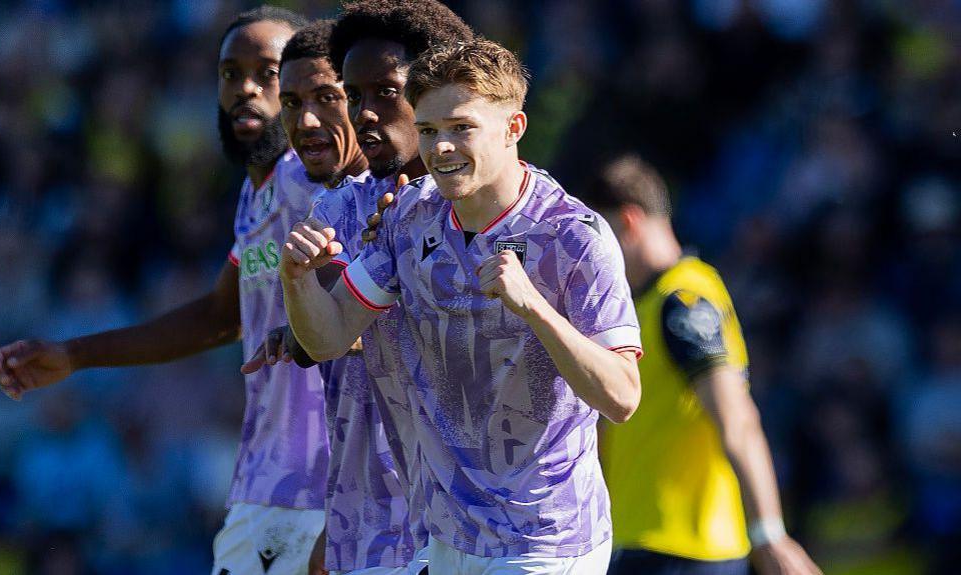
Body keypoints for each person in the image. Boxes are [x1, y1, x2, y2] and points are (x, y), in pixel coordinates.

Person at [0, 9, 369, 575]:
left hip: (326, 489)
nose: (245, 88)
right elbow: (223, 314)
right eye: (230, 72)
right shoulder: (256, 195)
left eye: (268, 73)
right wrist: (75, 355)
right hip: (268, 487)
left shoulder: (314, 176)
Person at [278, 39, 641, 574]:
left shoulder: (574, 236)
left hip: (546, 540)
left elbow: (622, 396)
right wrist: (297, 281)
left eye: (461, 128)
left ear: (513, 128)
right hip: (444, 537)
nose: (441, 148)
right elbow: (328, 337)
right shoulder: (409, 218)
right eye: (428, 131)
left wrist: (535, 308)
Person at [243, 3, 476, 573]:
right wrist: (302, 321)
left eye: (384, 92)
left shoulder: (510, 212)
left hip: (488, 526)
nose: (365, 112)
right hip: (371, 524)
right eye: (355, 94)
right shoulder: (339, 210)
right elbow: (333, 324)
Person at [591, 155, 822, 575]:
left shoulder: (684, 299)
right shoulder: (639, 307)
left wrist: (768, 533)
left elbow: (735, 417)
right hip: (640, 543)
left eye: (595, 241)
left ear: (628, 222)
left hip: (686, 549)